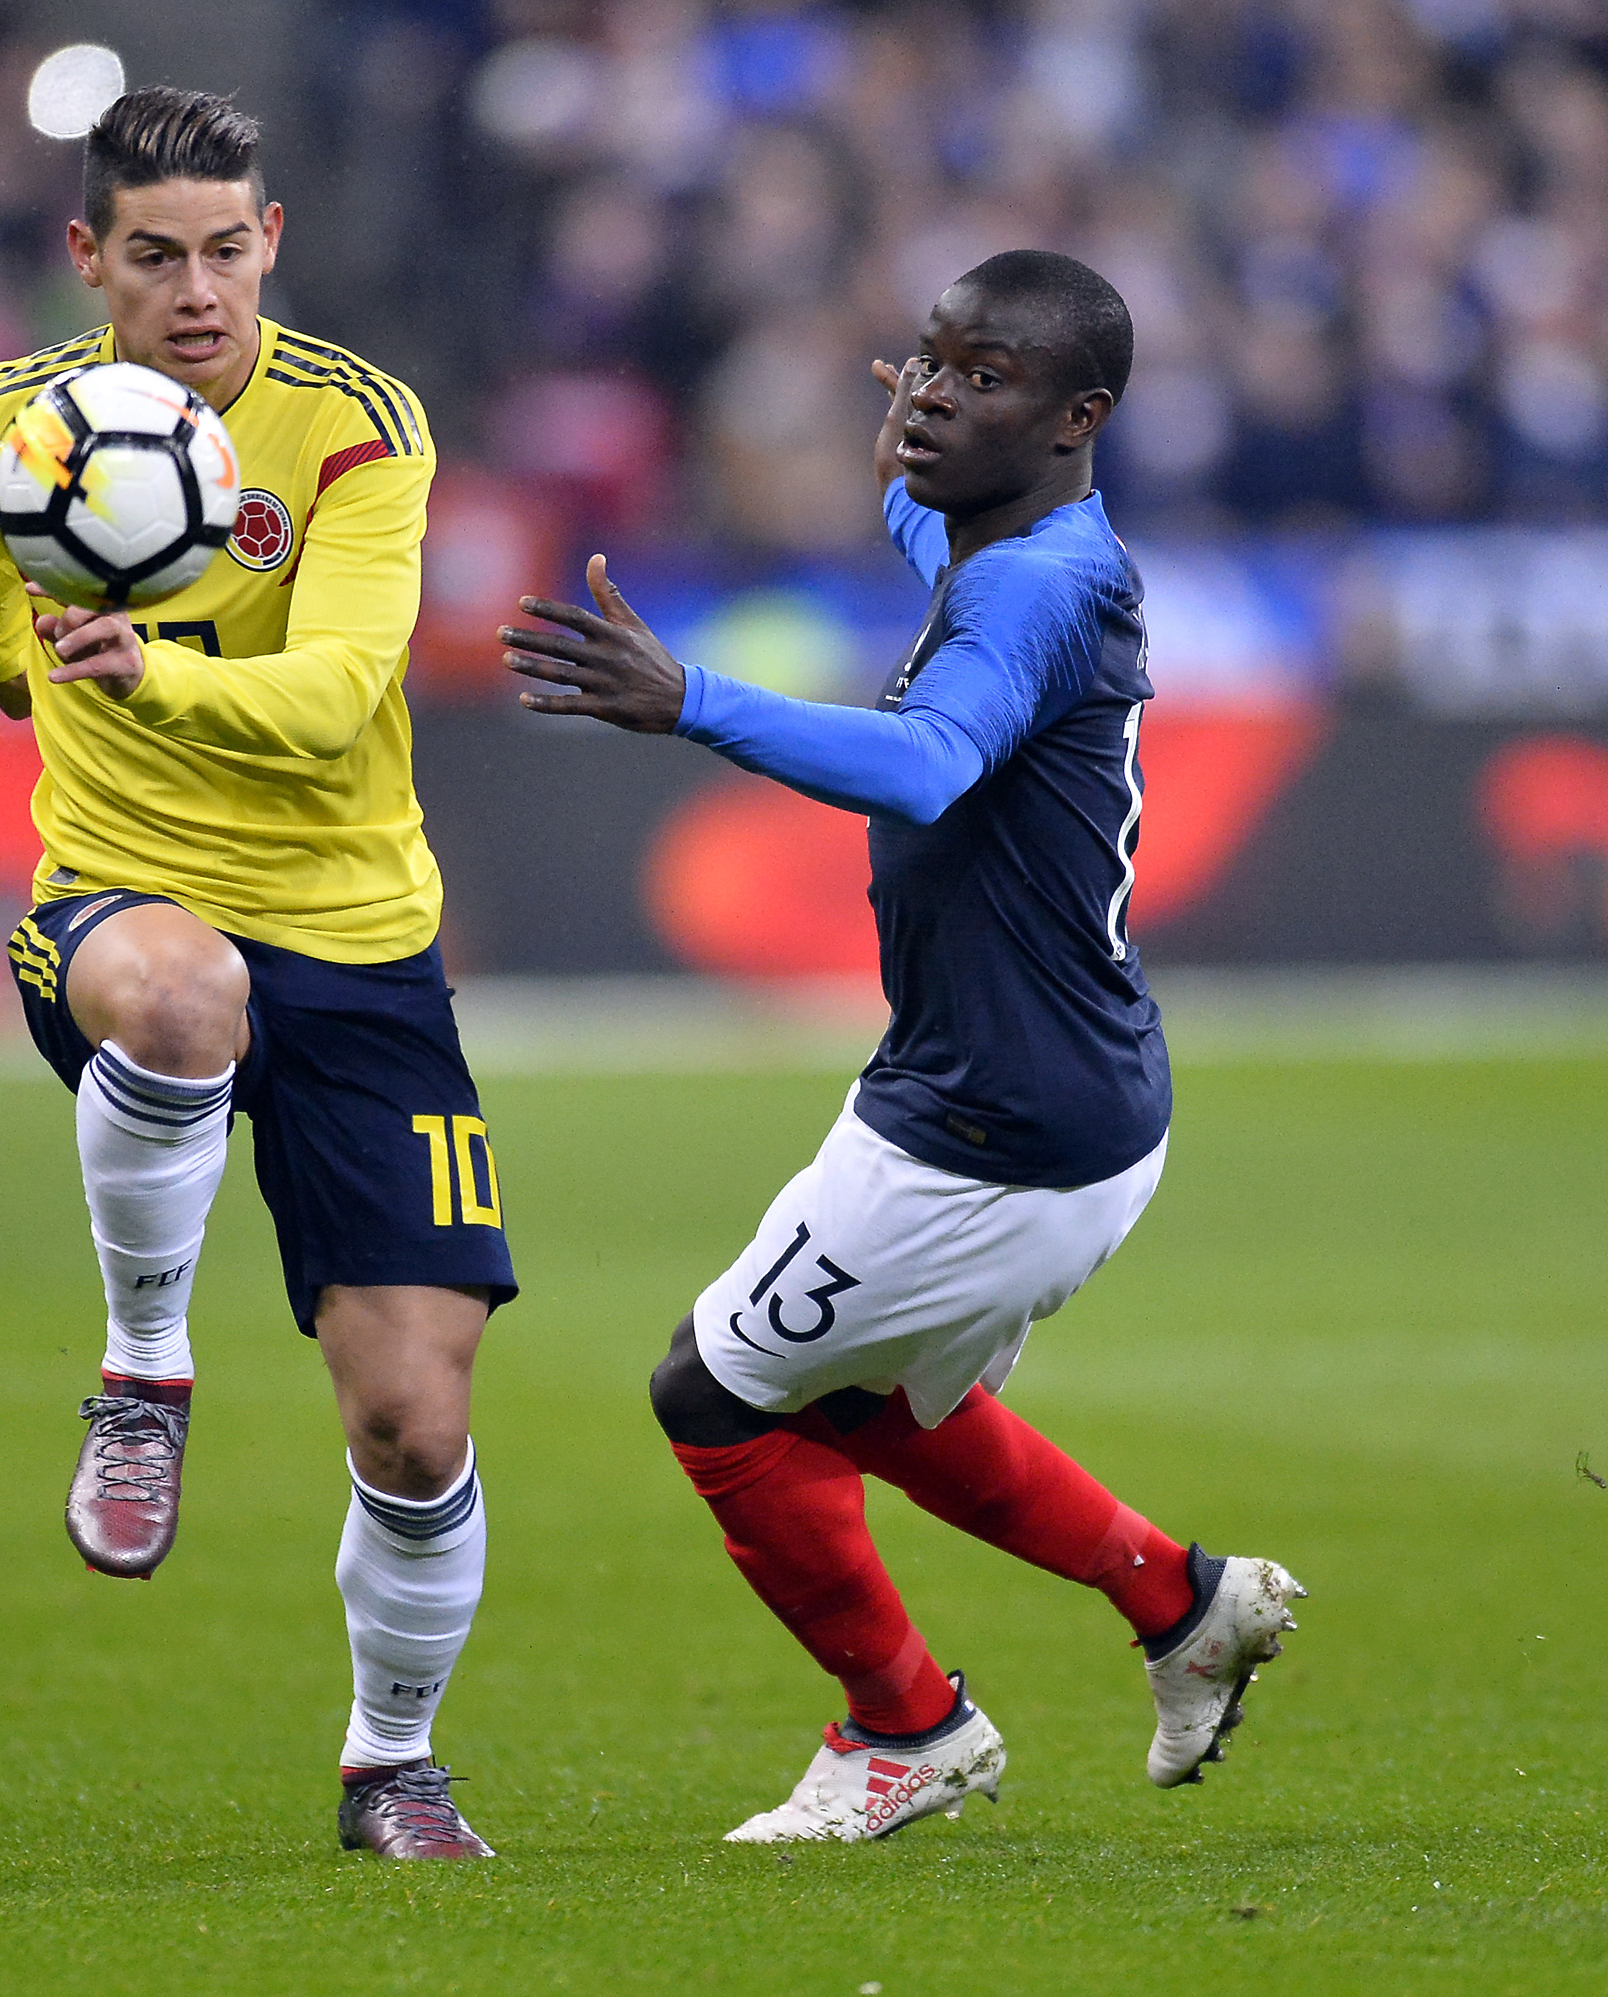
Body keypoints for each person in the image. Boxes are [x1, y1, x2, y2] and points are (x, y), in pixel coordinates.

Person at [501, 250, 1305, 1843]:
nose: (935, 395)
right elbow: (923, 516)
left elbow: (934, 765)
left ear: (1079, 418)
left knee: (715, 1392)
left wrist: (692, 701)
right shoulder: (1006, 534)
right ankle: (1182, 1599)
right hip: (1015, 1085)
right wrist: (909, 461)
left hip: (1003, 1125)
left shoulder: (1037, 586)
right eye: (929, 363)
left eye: (983, 378)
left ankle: (909, 1727)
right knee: (871, 1400)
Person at [0, 86, 509, 1861]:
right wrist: (26, 681)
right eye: (157, 255)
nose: (199, 291)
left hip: (359, 939)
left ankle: (391, 1760)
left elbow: (338, 691)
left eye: (229, 250)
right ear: (87, 256)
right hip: (123, 903)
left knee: (414, 1423)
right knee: (184, 1001)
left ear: (276, 244)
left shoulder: (357, 427)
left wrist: (137, 676)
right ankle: (142, 1373)